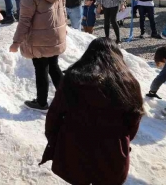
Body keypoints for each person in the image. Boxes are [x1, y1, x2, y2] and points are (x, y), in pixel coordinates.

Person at [41, 38, 144, 185]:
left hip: (74, 145)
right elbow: (134, 119)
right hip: (112, 149)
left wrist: (54, 139)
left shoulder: (73, 78)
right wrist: (123, 141)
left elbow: (54, 114)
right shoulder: (128, 82)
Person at [9, 0, 67, 111]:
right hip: (55, 36)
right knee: (54, 66)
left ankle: (41, 102)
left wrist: (16, 42)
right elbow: (63, 14)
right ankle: (69, 98)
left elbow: (24, 21)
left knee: (41, 69)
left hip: (39, 39)